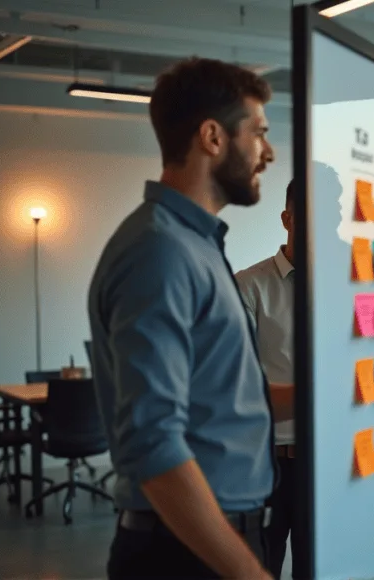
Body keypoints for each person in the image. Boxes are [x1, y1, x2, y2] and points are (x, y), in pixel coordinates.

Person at [87, 57, 293, 579]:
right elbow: (153, 443)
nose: (267, 153)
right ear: (212, 137)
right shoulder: (160, 252)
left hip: (210, 538)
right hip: (184, 553)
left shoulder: (194, 245)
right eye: (259, 134)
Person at [236, 180, 302, 578]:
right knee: (263, 567)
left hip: (327, 462)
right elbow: (239, 388)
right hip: (268, 466)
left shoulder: (343, 288)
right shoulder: (249, 286)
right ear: (287, 219)